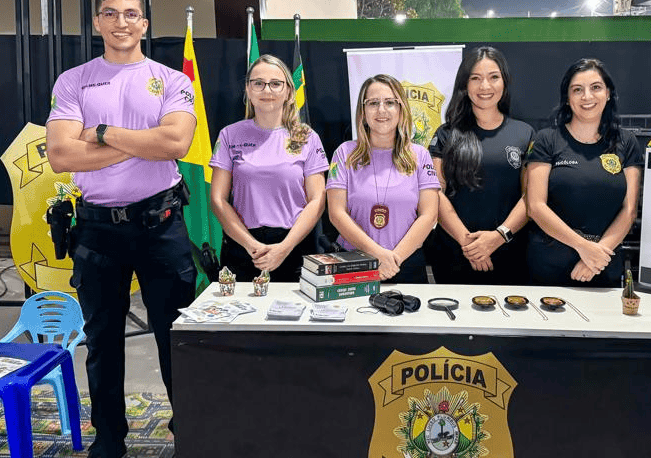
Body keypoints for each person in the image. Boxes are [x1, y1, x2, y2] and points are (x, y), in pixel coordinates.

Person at [46, 0, 197, 458]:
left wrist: (103, 133)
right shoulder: (74, 81)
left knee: (176, 337)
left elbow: (175, 143)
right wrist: (141, 143)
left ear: (145, 23)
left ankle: (190, 430)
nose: (121, 22)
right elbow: (61, 154)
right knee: (102, 341)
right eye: (110, 13)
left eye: (131, 13)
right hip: (97, 230)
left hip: (161, 226)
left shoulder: (170, 80)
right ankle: (108, 441)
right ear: (97, 22)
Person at [209, 54, 328, 282]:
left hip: (294, 248)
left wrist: (284, 248)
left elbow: (317, 201)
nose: (267, 90)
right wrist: (252, 246)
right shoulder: (229, 135)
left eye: (275, 84)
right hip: (243, 249)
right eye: (258, 83)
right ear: (248, 89)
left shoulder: (306, 137)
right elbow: (218, 200)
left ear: (289, 92)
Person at [526, 58, 642, 286]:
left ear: (608, 93)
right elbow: (535, 206)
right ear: (567, 98)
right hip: (549, 265)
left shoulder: (626, 142)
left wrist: (596, 257)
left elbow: (629, 211)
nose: (587, 96)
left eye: (596, 87)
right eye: (577, 90)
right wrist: (584, 247)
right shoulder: (546, 140)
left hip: (603, 266)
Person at [427, 47, 533, 284]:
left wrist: (498, 237)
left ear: (504, 81)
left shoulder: (525, 133)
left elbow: (531, 197)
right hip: (455, 255)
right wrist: (468, 243)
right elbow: (434, 193)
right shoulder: (445, 134)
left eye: (494, 77)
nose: (485, 86)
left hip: (510, 254)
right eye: (476, 78)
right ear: (464, 84)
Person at [326, 74, 440, 283]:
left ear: (401, 109)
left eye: (390, 102)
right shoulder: (343, 153)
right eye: (373, 103)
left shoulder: (420, 155)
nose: (381, 110)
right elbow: (336, 213)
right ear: (363, 111)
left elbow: (429, 215)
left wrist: (393, 260)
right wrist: (378, 255)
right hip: (354, 262)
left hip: (406, 263)